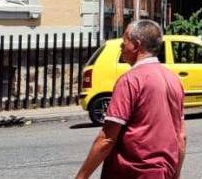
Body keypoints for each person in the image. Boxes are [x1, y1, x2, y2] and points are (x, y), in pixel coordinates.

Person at [75, 20, 185, 179]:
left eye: (124, 40)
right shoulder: (174, 80)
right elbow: (181, 137)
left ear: (136, 45)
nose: (121, 46)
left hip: (133, 172)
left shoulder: (130, 80)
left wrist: (81, 176)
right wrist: (176, 175)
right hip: (164, 172)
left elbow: (107, 138)